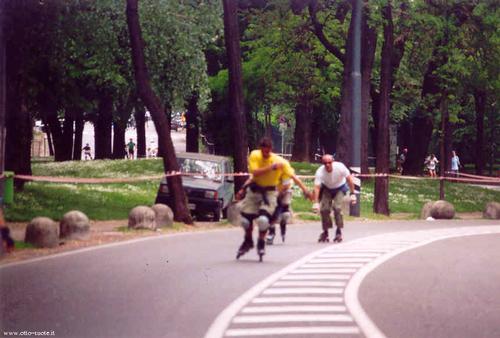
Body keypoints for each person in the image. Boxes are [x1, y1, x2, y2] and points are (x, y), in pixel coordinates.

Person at [236, 137, 295, 261]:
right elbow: (255, 173)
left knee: (263, 220)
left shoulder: (279, 161)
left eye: (267, 152)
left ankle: (261, 242)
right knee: (245, 221)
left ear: (271, 150)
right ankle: (248, 240)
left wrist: (306, 190)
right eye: (263, 152)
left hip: (271, 192)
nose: (265, 154)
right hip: (254, 190)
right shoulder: (255, 155)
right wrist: (243, 188)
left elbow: (292, 178)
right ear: (260, 149)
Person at [312, 154, 357, 243]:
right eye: (325, 163)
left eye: (329, 162)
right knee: (324, 209)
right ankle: (325, 232)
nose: (327, 165)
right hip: (327, 188)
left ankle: (338, 231)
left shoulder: (340, 167)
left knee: (337, 208)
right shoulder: (320, 171)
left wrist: (352, 194)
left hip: (340, 188)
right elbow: (317, 187)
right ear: (322, 163)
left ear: (333, 161)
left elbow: (350, 180)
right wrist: (316, 202)